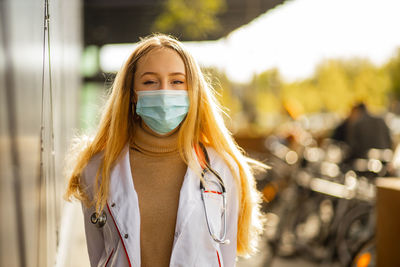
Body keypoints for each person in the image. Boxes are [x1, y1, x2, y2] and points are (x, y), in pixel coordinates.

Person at [65, 34, 265, 267]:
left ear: (193, 92)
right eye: (150, 82)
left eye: (177, 82)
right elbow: (98, 255)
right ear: (131, 94)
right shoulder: (96, 168)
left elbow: (225, 257)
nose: (164, 92)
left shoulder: (222, 169)